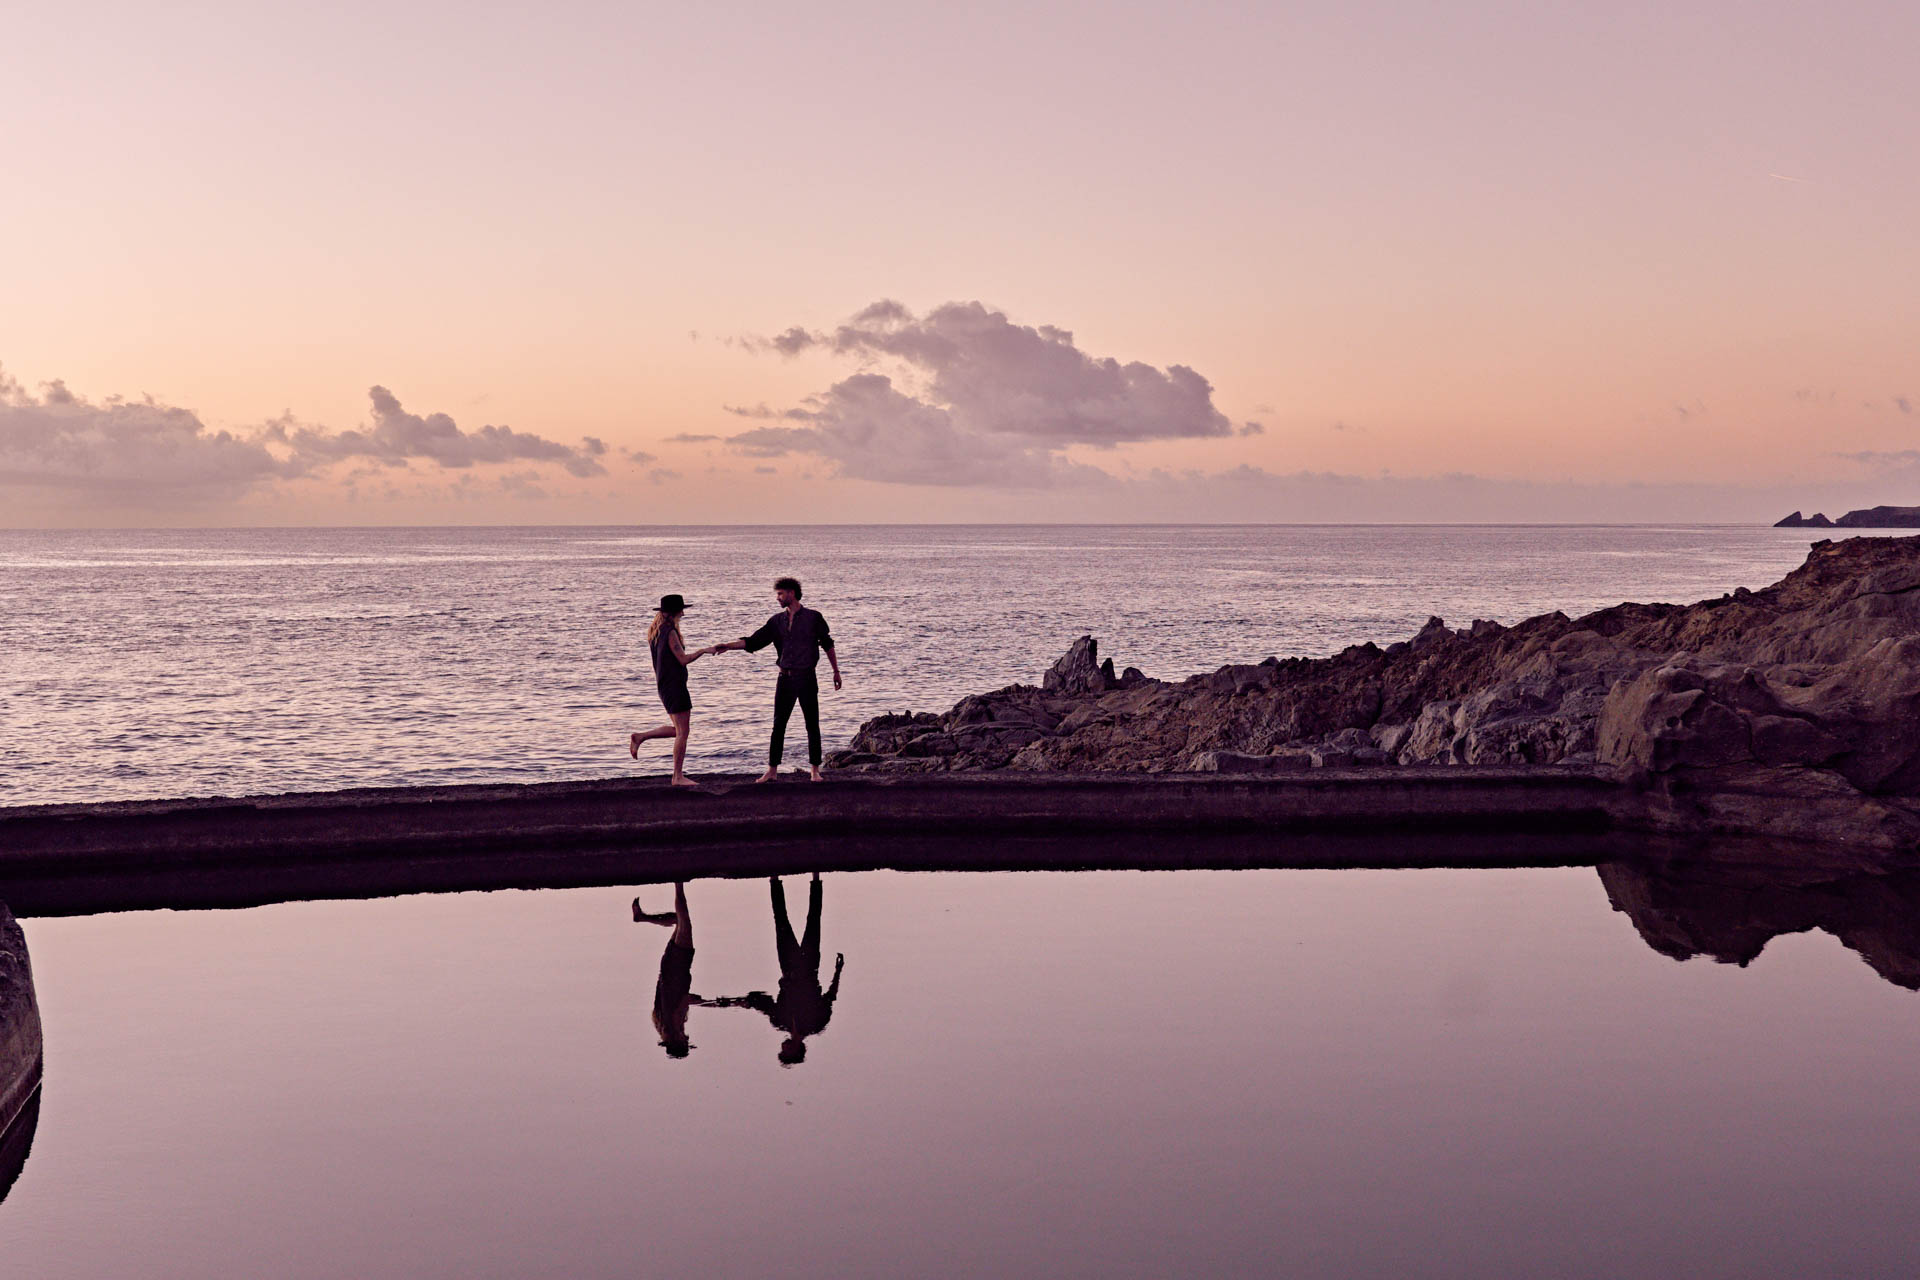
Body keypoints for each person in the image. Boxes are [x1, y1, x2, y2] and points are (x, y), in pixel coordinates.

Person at [709, 577, 842, 782]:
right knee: (778, 725)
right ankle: (772, 770)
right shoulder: (776, 622)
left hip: (807, 677)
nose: (777, 598)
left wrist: (836, 671)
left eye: (780, 594)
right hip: (785, 679)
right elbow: (754, 641)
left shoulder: (814, 617)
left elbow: (827, 644)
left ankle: (815, 770)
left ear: (791, 593)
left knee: (812, 724)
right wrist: (728, 645)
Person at [702, 873, 844, 1066]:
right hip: (809, 967)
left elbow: (759, 1002)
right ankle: (815, 876)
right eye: (786, 1051)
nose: (782, 1047)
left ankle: (774, 878)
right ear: (796, 1050)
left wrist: (736, 1003)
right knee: (813, 920)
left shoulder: (781, 1021)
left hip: (788, 966)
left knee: (781, 920)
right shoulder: (817, 1024)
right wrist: (838, 971)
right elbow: (830, 996)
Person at [629, 593, 720, 787]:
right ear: (674, 613)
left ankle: (641, 737)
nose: (683, 614)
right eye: (681, 611)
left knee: (679, 730)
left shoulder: (656, 631)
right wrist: (704, 650)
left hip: (665, 686)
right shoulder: (669, 632)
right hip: (674, 686)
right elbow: (683, 659)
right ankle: (677, 777)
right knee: (682, 732)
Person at [633, 883, 699, 1057]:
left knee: (684, 921)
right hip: (668, 968)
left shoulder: (674, 1022)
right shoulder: (660, 1022)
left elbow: (687, 999)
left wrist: (710, 1003)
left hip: (679, 967)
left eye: (684, 1040)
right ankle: (642, 917)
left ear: (677, 1041)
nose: (686, 1037)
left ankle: (679, 884)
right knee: (679, 920)